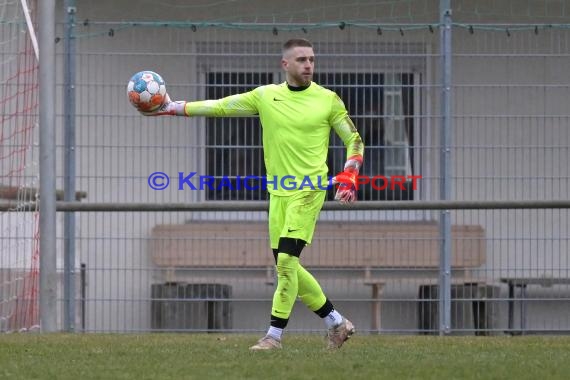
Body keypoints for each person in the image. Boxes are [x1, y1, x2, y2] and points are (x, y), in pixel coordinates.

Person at [139, 38, 364, 350]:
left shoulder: (328, 100)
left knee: (286, 261)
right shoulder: (265, 96)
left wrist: (350, 174)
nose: (309, 65)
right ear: (285, 65)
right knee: (289, 267)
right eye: (301, 60)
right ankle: (337, 322)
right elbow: (221, 106)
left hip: (309, 192)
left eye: (311, 59)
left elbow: (354, 138)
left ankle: (273, 337)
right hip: (278, 194)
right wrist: (172, 108)